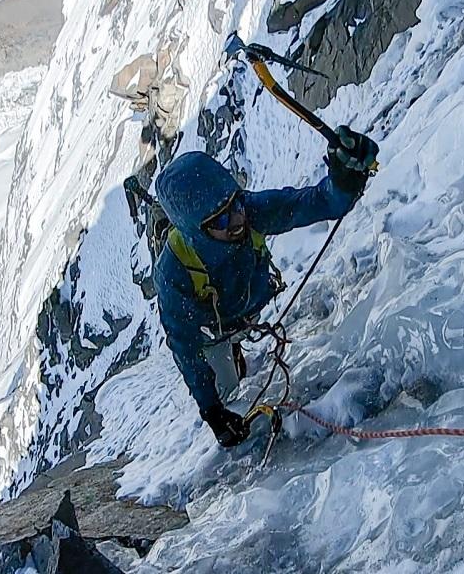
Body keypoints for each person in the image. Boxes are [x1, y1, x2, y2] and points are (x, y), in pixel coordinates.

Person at [152, 126, 378, 446]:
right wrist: (212, 411)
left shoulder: (250, 210)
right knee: (227, 393)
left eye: (235, 204)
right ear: (196, 231)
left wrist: (345, 180)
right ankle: (232, 352)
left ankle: (237, 347)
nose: (237, 220)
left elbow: (315, 202)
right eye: (220, 220)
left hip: (243, 308)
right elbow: (185, 347)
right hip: (211, 331)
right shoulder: (174, 272)